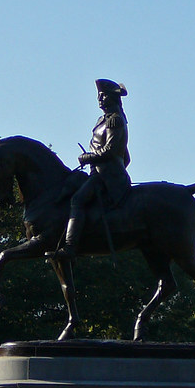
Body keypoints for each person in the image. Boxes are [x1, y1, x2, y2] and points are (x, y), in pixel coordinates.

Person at [54, 79, 131, 260]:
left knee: (77, 200)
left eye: (103, 95)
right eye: (99, 95)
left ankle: (70, 248)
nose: (100, 99)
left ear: (113, 98)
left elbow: (112, 151)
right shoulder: (102, 120)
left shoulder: (115, 120)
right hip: (98, 172)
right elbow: (126, 156)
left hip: (107, 176)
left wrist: (88, 157)